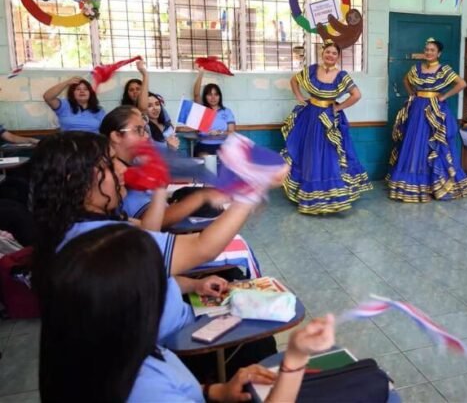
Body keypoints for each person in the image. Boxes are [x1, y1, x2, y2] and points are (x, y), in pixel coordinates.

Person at [29, 131, 287, 345]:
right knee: (259, 342)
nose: (120, 171)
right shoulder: (104, 244)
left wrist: (192, 285)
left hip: (163, 319)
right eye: (108, 164)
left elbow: (140, 275)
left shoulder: (71, 230)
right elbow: (203, 247)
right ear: (76, 181)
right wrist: (251, 187)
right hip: (175, 340)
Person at [39, 223, 336, 402]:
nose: (168, 287)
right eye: (160, 281)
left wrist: (216, 392)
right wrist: (295, 359)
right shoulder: (145, 390)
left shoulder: (99, 352)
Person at [281, 40, 372, 214]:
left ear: (338, 57)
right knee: (310, 153)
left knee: (330, 155)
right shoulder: (312, 70)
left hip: (329, 119)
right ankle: (310, 195)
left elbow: (356, 95)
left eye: (334, 53)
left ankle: (330, 196)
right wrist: (300, 98)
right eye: (328, 52)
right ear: (323, 53)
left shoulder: (342, 75)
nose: (330, 55)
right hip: (310, 117)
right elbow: (294, 81)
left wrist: (338, 107)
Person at [100, 106, 228, 229]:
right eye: (138, 130)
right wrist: (201, 198)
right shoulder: (114, 176)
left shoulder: (134, 163)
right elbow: (154, 223)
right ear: (116, 136)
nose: (145, 136)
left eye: (145, 129)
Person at [386, 37, 467, 202]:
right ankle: (415, 184)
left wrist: (444, 96)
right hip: (417, 108)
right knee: (414, 143)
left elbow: (462, 84)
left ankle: (435, 184)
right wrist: (412, 94)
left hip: (434, 110)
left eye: (432, 50)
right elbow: (405, 80)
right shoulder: (416, 68)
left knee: (432, 144)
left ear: (439, 53)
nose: (429, 52)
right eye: (427, 50)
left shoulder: (444, 69)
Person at [192, 71, 236, 157]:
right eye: (209, 94)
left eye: (216, 94)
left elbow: (232, 132)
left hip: (223, 147)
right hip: (204, 146)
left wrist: (219, 132)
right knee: (206, 161)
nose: (213, 97)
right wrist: (200, 73)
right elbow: (196, 95)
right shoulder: (202, 110)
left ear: (220, 96)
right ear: (205, 96)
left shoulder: (227, 111)